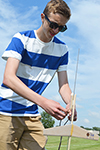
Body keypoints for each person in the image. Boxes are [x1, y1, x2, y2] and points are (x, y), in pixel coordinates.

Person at [0, 0, 77, 149]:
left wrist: (70, 103)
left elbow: (64, 85)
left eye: (61, 28)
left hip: (32, 115)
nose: (55, 31)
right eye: (53, 25)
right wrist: (43, 102)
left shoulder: (62, 50)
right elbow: (8, 78)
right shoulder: (21, 39)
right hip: (6, 112)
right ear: (43, 17)